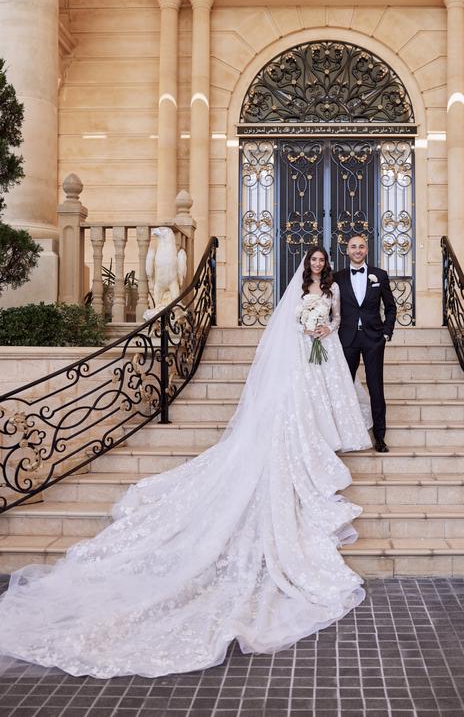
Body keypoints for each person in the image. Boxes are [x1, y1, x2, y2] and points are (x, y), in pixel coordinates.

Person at [0, 247, 371, 678]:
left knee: (322, 401)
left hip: (323, 347)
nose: (319, 267)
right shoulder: (300, 288)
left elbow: (339, 319)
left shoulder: (332, 288)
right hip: (305, 352)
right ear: (308, 263)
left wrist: (323, 327)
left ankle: (329, 435)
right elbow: (289, 322)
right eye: (315, 261)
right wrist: (306, 326)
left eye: (323, 262)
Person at [334, 235, 397, 453]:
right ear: (347, 250)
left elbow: (390, 307)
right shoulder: (337, 277)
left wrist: (386, 332)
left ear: (367, 250)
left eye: (361, 246)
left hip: (373, 339)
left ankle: (380, 437)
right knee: (342, 387)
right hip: (347, 339)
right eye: (353, 247)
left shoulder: (379, 275)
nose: (357, 250)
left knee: (376, 387)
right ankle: (340, 434)